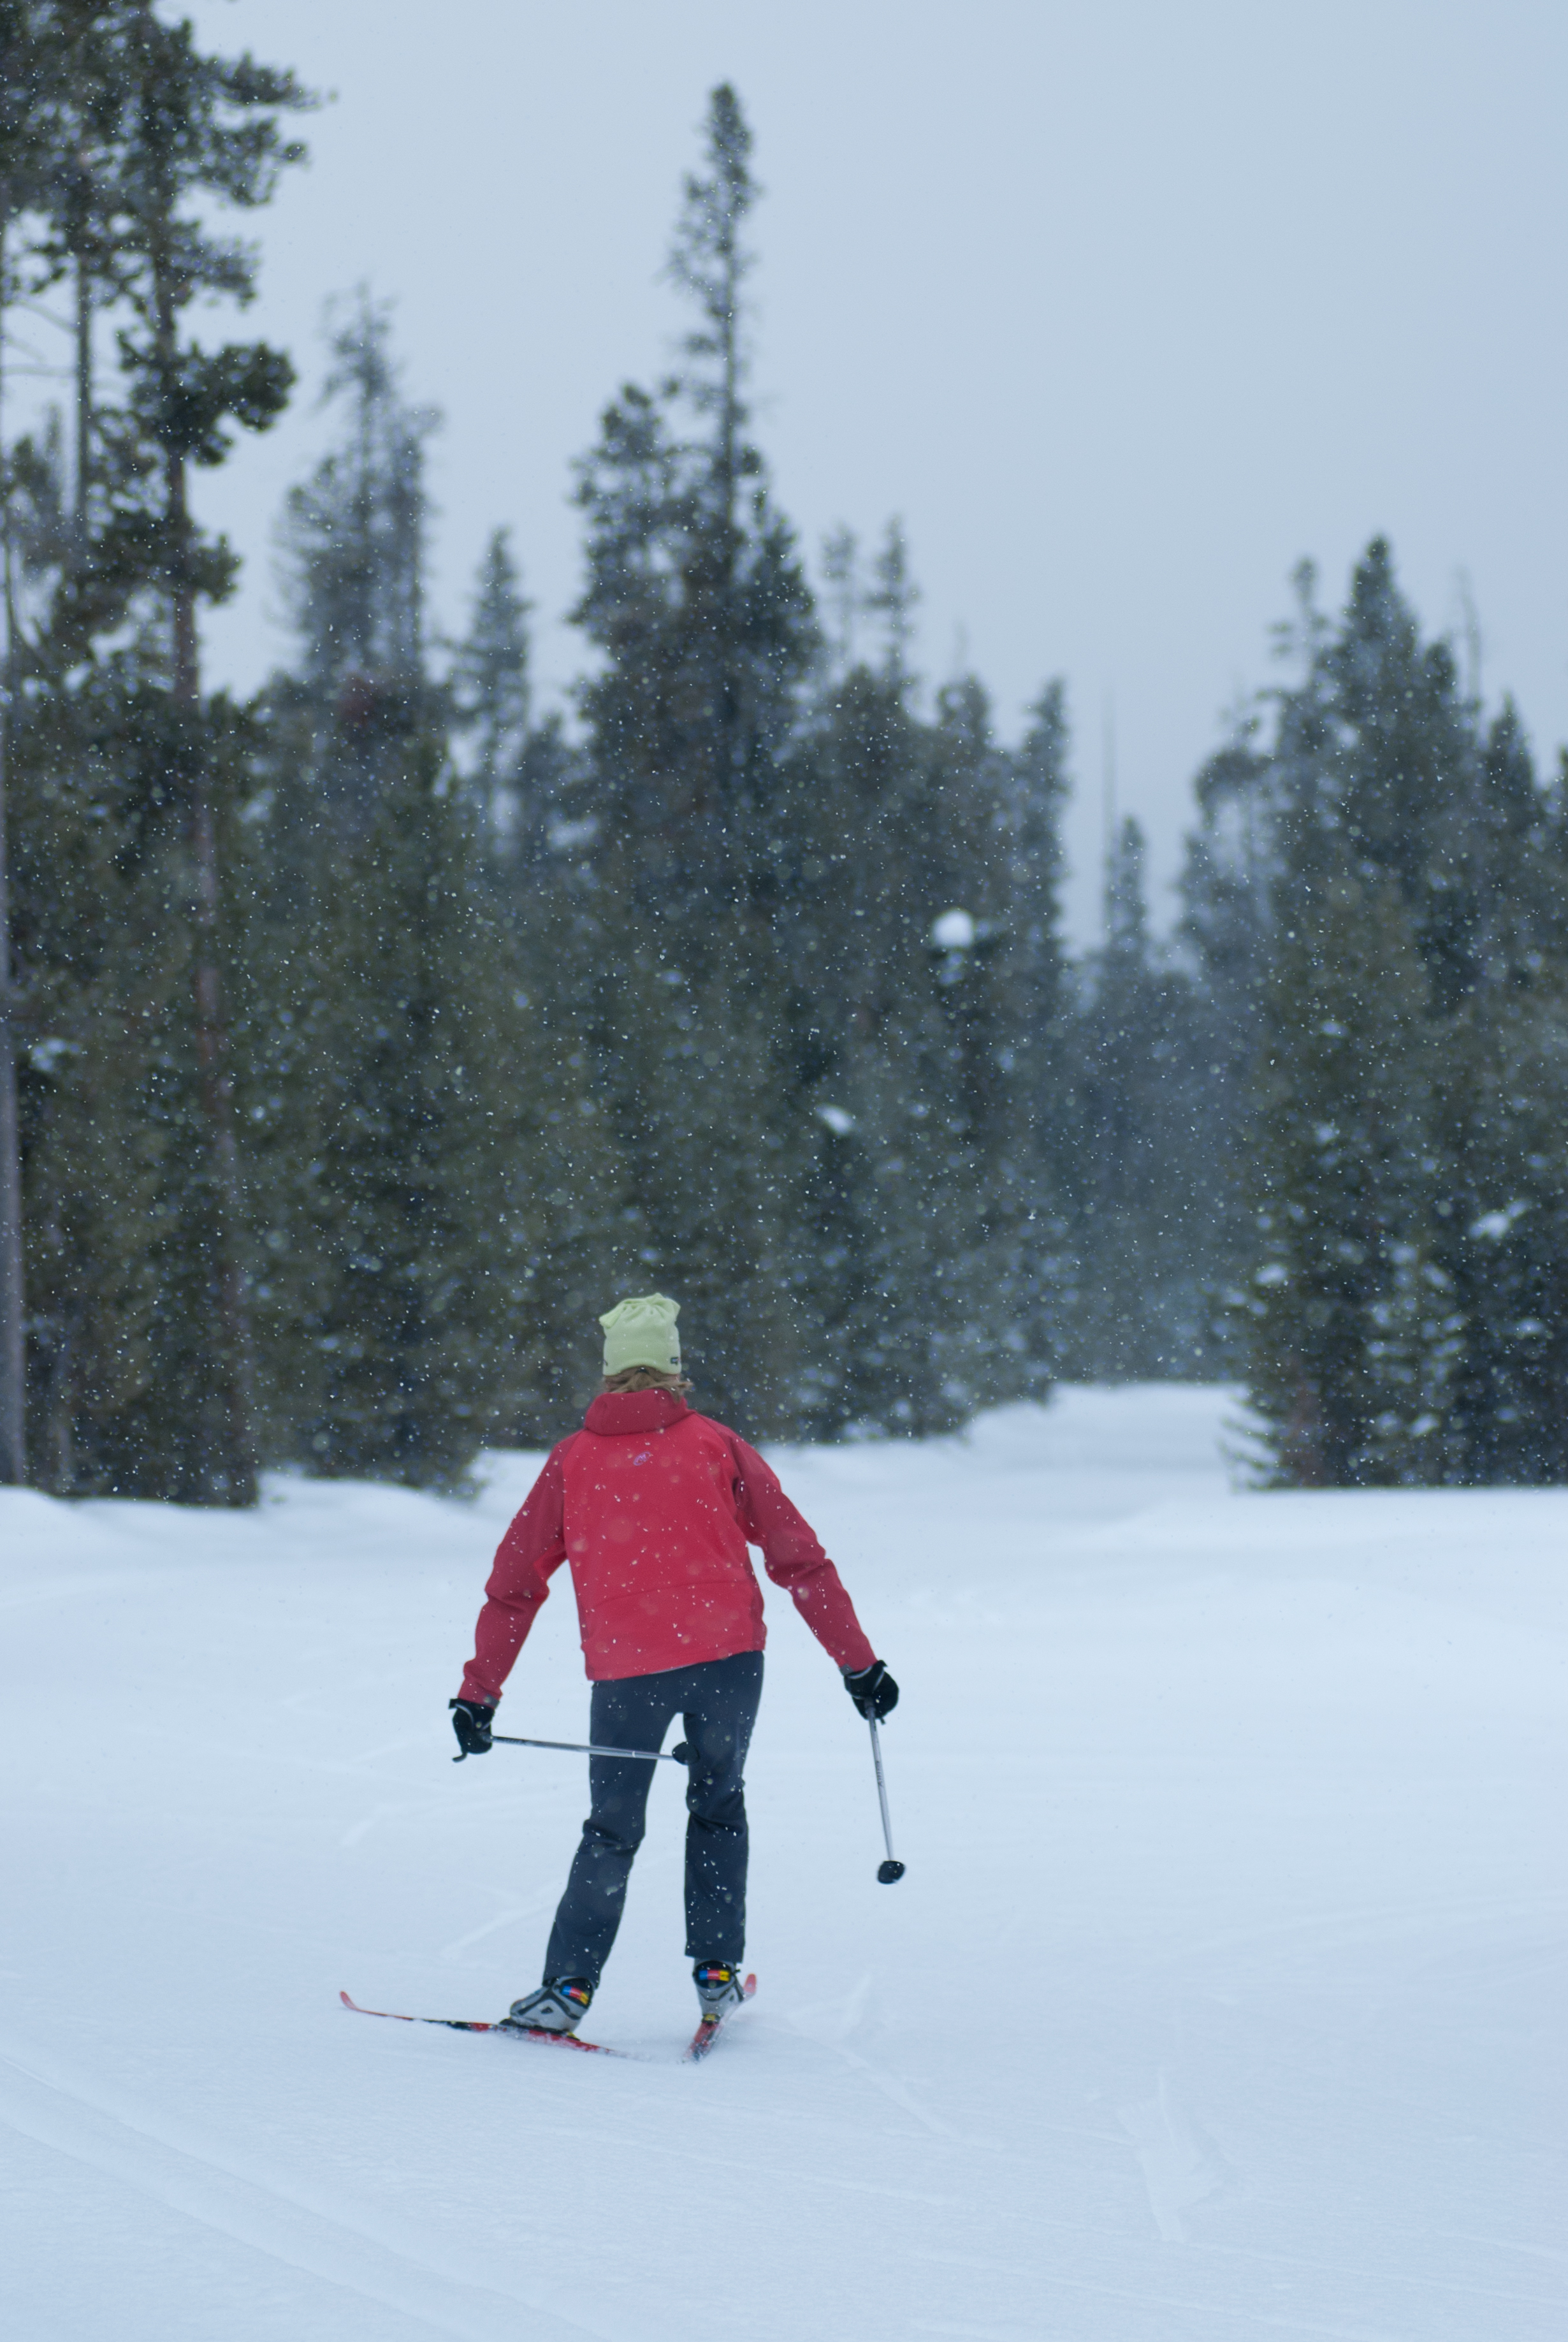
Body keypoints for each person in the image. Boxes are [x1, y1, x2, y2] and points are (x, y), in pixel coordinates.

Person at [451, 1293, 898, 2035]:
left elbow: (514, 1584)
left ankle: (567, 1988)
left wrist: (479, 1692)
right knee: (718, 1804)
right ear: (675, 1369)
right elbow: (802, 1560)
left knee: (613, 1827)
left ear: (609, 1373)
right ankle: (718, 1973)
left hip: (629, 1671)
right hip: (729, 1660)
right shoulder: (716, 1444)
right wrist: (859, 1664)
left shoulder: (573, 1461)